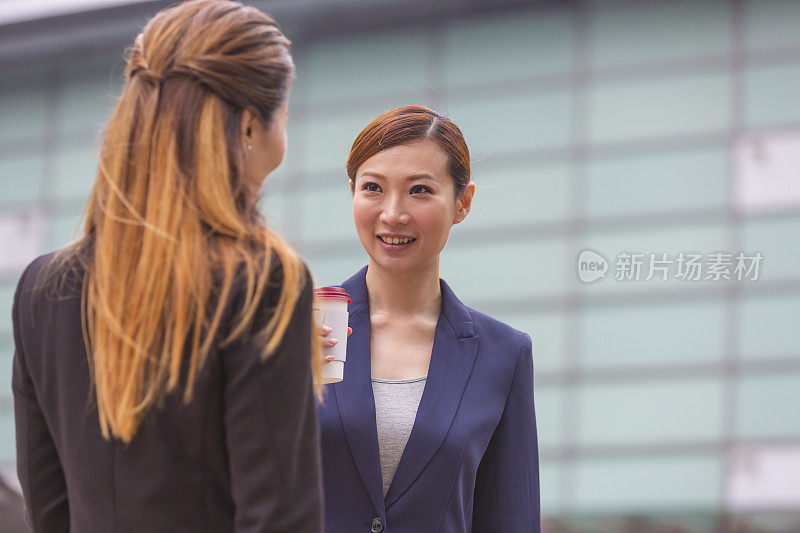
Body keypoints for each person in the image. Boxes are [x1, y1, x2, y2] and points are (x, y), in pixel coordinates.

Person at [11, 1, 323, 531]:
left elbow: (49, 511)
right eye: (285, 114)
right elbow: (280, 520)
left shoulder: (42, 289)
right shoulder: (260, 281)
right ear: (250, 127)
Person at [318, 106, 540, 532]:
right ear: (352, 194)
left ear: (462, 203)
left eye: (419, 190)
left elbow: (513, 518)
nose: (393, 214)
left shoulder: (503, 355)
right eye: (372, 188)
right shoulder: (290, 332)